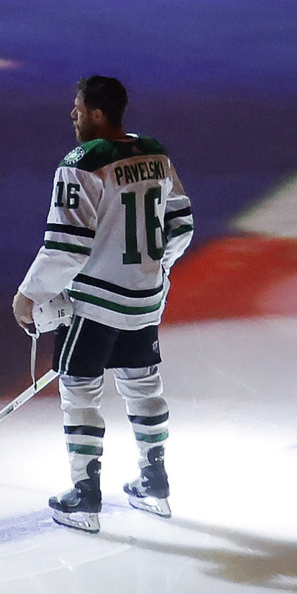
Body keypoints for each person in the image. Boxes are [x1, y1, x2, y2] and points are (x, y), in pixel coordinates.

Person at [21, 73, 195, 529]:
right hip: (145, 299)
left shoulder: (81, 163)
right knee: (144, 385)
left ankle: (85, 494)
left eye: (77, 107)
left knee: (79, 390)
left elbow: (66, 247)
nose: (72, 114)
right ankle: (154, 483)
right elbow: (182, 225)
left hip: (95, 303)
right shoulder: (155, 154)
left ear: (98, 114)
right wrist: (155, 271)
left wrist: (29, 294)